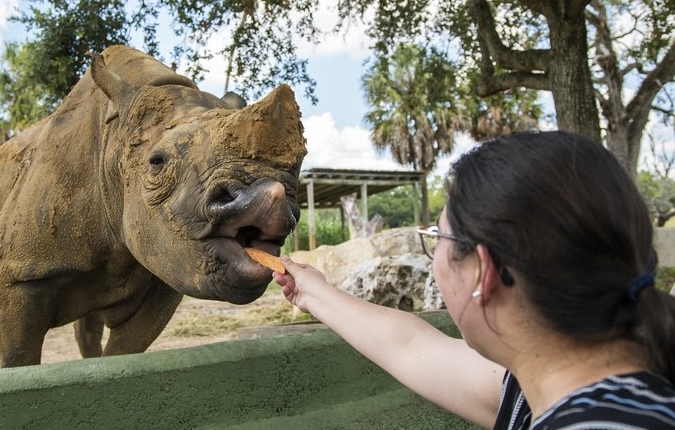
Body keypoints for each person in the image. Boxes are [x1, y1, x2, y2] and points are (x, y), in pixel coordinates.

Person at [273, 131, 675, 429]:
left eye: (439, 238)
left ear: (482, 270)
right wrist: (313, 291)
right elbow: (409, 345)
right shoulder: (552, 385)